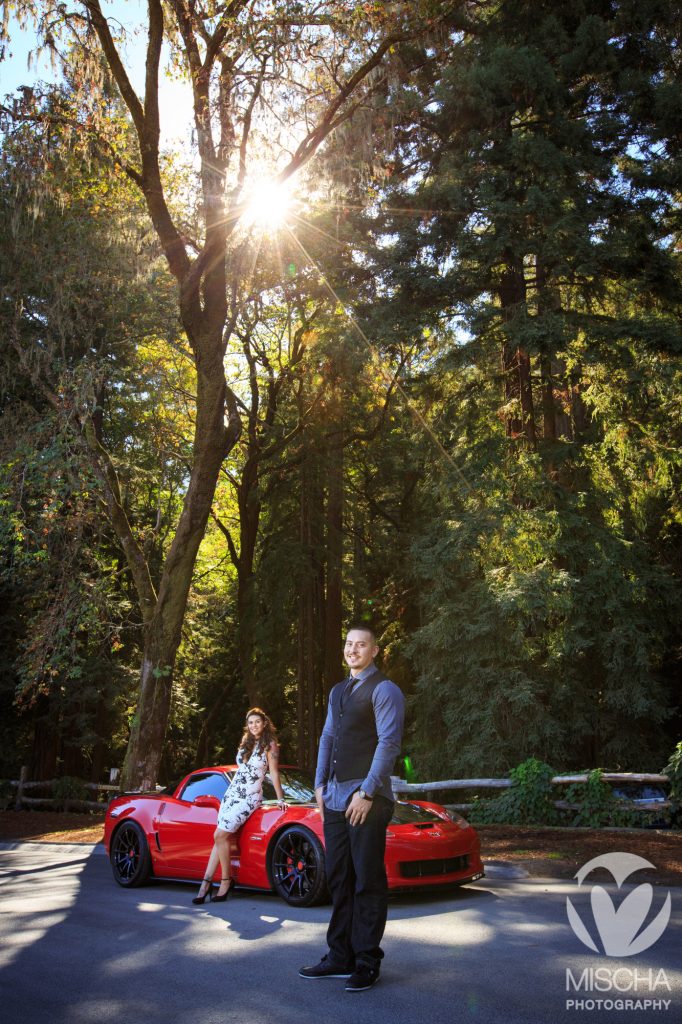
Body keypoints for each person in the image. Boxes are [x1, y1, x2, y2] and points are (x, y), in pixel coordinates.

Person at [299, 625, 404, 992]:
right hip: (335, 797)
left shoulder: (385, 690)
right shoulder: (338, 691)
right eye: (349, 644)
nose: (353, 650)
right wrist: (318, 784)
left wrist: (367, 791)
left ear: (375, 651)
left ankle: (366, 960)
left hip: (368, 800)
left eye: (361, 645)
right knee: (340, 878)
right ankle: (339, 956)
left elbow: (389, 743)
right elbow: (328, 736)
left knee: (367, 879)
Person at [192, 707, 287, 904]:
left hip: (249, 797)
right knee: (220, 838)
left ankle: (225, 881)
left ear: (264, 723)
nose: (254, 726)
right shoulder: (246, 743)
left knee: (219, 835)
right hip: (232, 794)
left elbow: (274, 773)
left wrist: (280, 799)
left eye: (257, 722)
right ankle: (206, 883)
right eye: (250, 722)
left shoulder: (270, 745)